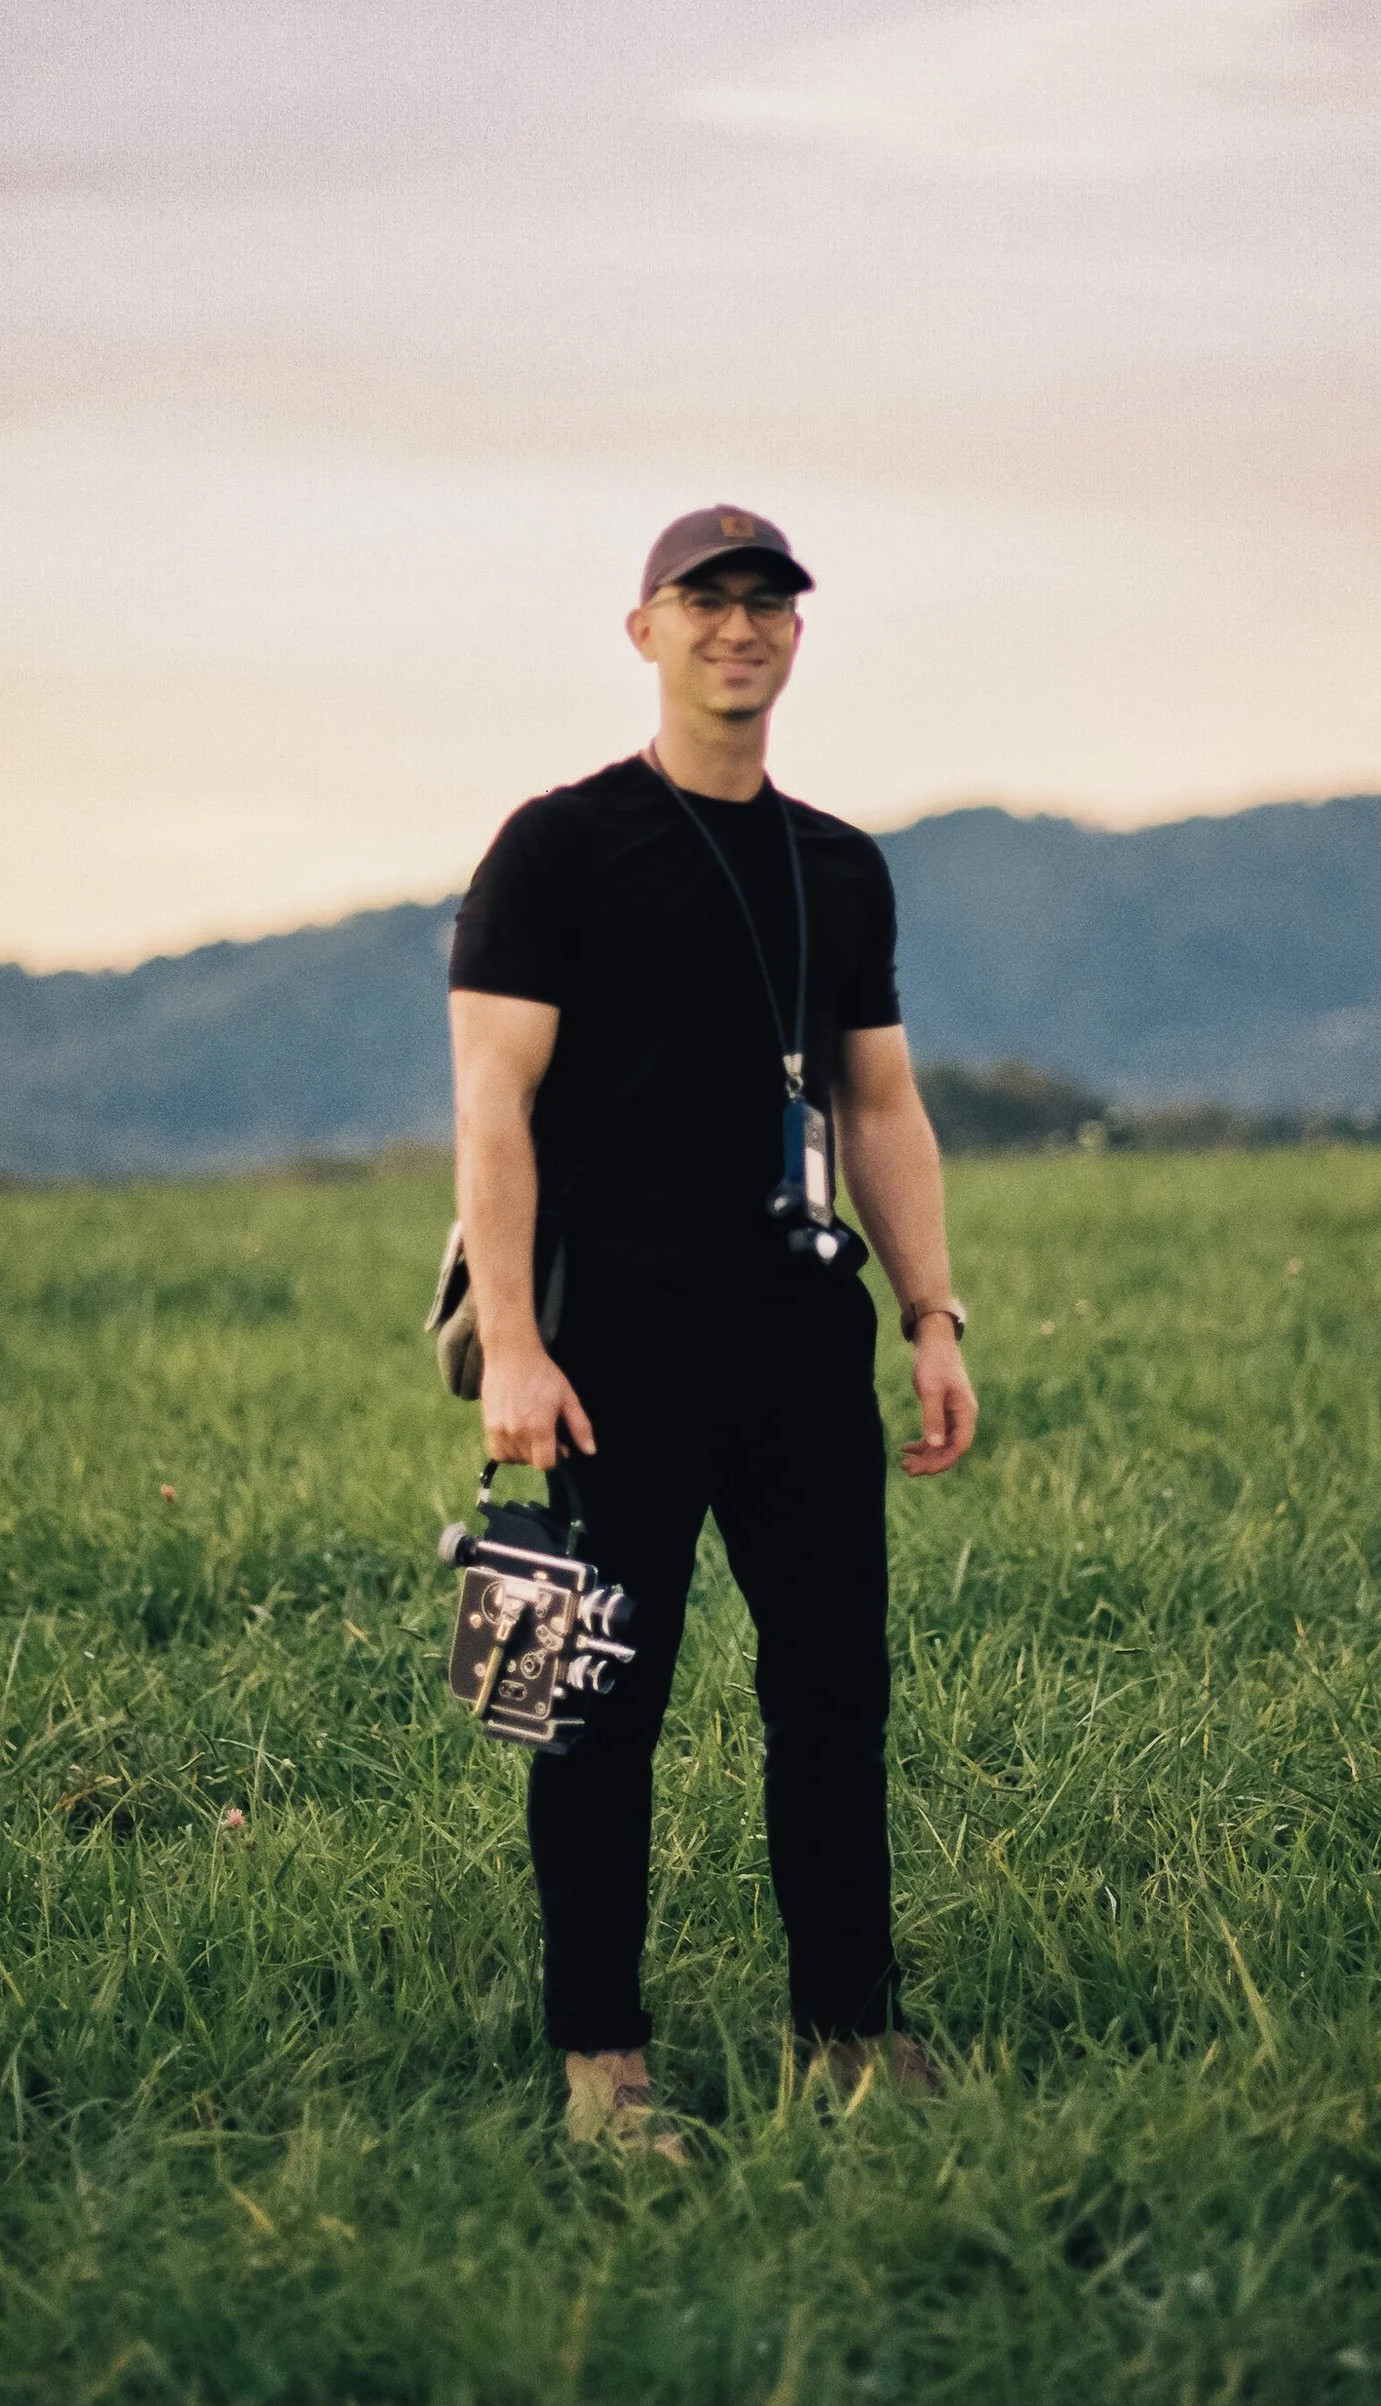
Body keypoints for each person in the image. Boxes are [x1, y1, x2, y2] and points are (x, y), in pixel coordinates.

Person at [447, 504, 977, 2152]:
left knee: (835, 1693)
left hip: (803, 1337)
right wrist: (515, 1345)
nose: (739, 626)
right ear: (646, 632)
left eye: (767, 603)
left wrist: (932, 1315)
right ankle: (602, 2068)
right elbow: (492, 1103)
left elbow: (879, 1104)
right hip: (611, 1350)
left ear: (797, 637)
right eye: (706, 600)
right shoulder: (557, 849)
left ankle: (851, 2034)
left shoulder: (840, 866)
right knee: (597, 1700)